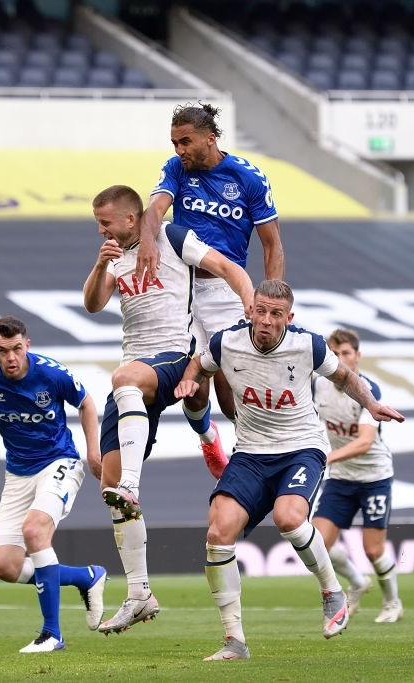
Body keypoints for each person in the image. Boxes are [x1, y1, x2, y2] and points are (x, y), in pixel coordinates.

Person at [174, 280, 405, 661]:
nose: (265, 320)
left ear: (289, 318)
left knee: (288, 517)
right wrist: (188, 378)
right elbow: (201, 363)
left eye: (275, 314)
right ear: (250, 310)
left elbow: (345, 377)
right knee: (218, 532)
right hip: (250, 452)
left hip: (301, 449)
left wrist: (372, 404)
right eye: (260, 311)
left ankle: (333, 593)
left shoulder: (307, 345)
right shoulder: (226, 341)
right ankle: (235, 642)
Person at [82, 184, 254, 634]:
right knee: (108, 484)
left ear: (131, 218)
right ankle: (139, 593)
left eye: (105, 222)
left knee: (125, 385)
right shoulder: (113, 255)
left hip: (175, 353)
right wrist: (100, 264)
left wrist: (249, 305)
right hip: (136, 367)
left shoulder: (173, 239)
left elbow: (225, 266)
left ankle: (145, 477)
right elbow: (94, 304)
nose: (100, 229)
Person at [136, 102, 285, 474]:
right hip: (182, 290)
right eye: (174, 142)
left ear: (210, 138)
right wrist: (148, 238)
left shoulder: (248, 178)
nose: (179, 150)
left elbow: (272, 245)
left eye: (186, 141)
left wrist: (272, 298)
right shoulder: (175, 169)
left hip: (224, 291)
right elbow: (155, 209)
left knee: (228, 388)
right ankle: (207, 438)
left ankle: (257, 451)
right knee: (192, 384)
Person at [0, 315, 107, 654]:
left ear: (27, 344)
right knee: (4, 566)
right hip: (18, 473)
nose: (11, 358)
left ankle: (52, 634)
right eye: (3, 351)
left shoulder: (51, 374)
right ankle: (86, 577)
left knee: (34, 531)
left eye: (16, 349)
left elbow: (86, 403)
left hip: (60, 462)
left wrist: (94, 451)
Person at [312, 328, 404, 623]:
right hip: (341, 478)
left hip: (374, 477)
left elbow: (365, 442)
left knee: (373, 549)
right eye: (334, 354)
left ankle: (392, 602)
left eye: (346, 353)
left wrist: (324, 457)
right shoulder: (317, 386)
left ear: (358, 356)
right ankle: (356, 581)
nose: (340, 359)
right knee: (318, 543)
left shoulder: (368, 390)